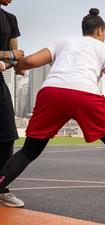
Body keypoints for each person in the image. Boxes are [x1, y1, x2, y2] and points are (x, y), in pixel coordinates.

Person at [0, 8, 105, 217]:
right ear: (101, 31)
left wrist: (17, 65)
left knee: (30, 150)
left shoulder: (63, 42)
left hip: (51, 93)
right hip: (85, 94)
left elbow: (29, 62)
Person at [0, 0, 25, 208]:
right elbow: (12, 54)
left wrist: (5, 61)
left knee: (7, 134)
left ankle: (2, 187)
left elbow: (17, 57)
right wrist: (8, 55)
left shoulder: (10, 19)